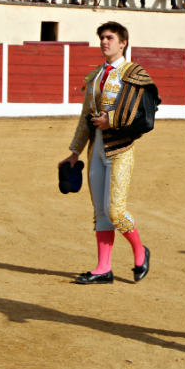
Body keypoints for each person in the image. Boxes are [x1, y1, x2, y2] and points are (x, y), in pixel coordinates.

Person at [58, 21, 160, 284]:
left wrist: (111, 121)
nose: (104, 42)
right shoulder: (94, 77)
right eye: (102, 38)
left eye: (110, 38)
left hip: (121, 149)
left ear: (123, 42)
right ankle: (103, 268)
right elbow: (85, 117)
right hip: (96, 149)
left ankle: (140, 251)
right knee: (100, 211)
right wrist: (74, 152)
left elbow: (143, 114)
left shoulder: (134, 73)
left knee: (115, 210)